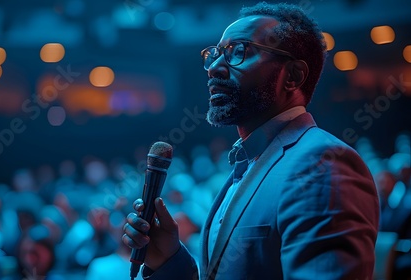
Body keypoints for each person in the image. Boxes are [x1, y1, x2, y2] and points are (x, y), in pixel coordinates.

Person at [122, 2, 380, 279]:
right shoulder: (247, 162)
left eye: (239, 51)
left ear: (292, 76)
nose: (215, 68)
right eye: (216, 54)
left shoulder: (323, 165)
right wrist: (170, 261)